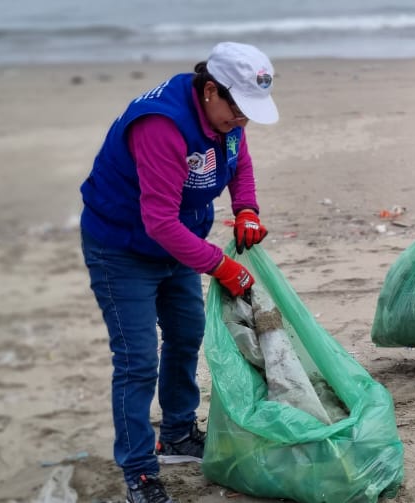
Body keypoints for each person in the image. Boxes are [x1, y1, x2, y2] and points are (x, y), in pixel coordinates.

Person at [79, 42, 279, 503]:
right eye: (239, 109)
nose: (243, 120)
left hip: (179, 244)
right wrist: (221, 265)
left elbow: (238, 161)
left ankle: (177, 433)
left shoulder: (226, 119)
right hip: (122, 247)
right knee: (137, 360)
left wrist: (247, 208)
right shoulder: (161, 126)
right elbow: (158, 222)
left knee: (187, 333)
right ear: (211, 90)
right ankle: (140, 472)